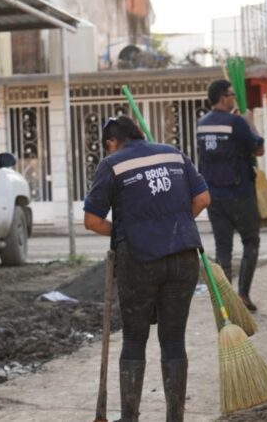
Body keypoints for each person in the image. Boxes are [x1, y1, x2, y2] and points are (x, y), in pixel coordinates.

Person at [83, 116, 211, 422]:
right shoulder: (173, 154)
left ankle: (129, 418)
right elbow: (203, 198)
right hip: (184, 256)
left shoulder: (111, 164)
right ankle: (175, 418)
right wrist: (174, 225)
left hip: (139, 261)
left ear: (111, 143)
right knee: (173, 340)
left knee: (134, 338)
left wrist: (125, 231)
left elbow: (91, 220)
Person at [196, 79, 265, 312]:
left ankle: (225, 301)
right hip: (240, 194)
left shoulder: (201, 125)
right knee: (251, 242)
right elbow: (259, 149)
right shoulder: (237, 123)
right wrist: (250, 122)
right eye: (232, 94)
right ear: (224, 98)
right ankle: (243, 295)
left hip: (213, 196)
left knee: (222, 248)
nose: (234, 97)